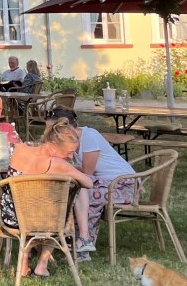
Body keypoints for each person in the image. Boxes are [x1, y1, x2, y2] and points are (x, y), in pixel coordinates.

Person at [0, 118, 93, 278]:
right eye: (69, 152)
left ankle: (23, 264)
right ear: (55, 148)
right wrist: (71, 171)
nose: (71, 156)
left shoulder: (19, 149)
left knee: (30, 209)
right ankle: (42, 265)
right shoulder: (58, 164)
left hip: (12, 217)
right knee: (57, 213)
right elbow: (88, 183)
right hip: (43, 223)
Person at [46, 107, 136, 261]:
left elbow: (87, 172)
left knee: (86, 194)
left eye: (50, 128)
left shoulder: (89, 136)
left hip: (123, 184)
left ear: (64, 127)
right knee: (72, 193)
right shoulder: (68, 140)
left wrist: (62, 167)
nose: (48, 133)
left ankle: (84, 244)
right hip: (101, 182)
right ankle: (68, 241)